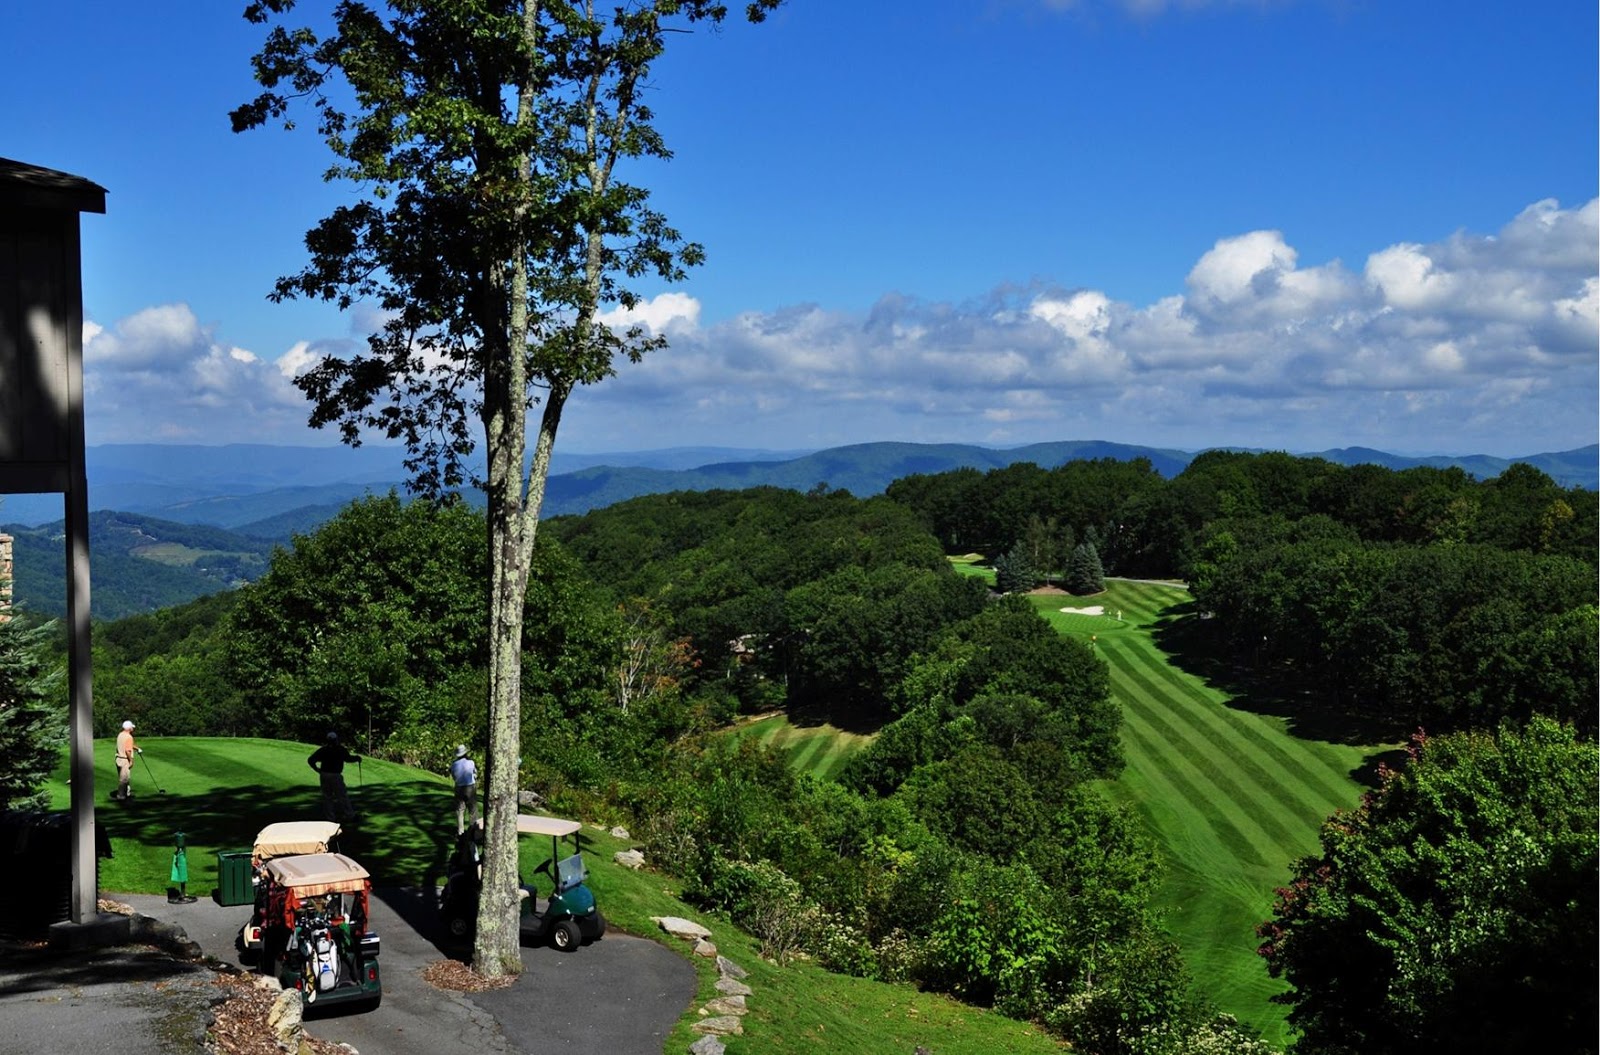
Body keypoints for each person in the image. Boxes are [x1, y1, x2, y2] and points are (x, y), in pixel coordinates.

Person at [307, 732, 360, 823]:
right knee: (342, 795)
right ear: (336, 740)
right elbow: (348, 759)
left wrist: (317, 769)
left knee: (327, 796)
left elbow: (311, 760)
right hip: (335, 775)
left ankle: (330, 818)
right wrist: (357, 758)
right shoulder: (340, 749)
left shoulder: (323, 750)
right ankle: (350, 815)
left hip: (324, 775)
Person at [450, 745, 479, 835]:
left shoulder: (453, 765)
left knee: (460, 811)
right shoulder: (471, 762)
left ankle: (460, 832)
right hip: (469, 787)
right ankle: (472, 831)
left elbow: (454, 776)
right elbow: (475, 773)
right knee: (472, 810)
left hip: (459, 787)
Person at [114, 720, 141, 801]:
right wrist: (131, 760)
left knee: (122, 778)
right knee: (124, 780)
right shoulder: (129, 737)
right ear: (129, 728)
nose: (133, 728)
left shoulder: (120, 735)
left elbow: (127, 745)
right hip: (125, 760)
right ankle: (121, 797)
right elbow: (127, 750)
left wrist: (137, 748)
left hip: (118, 759)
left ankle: (127, 794)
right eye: (132, 727)